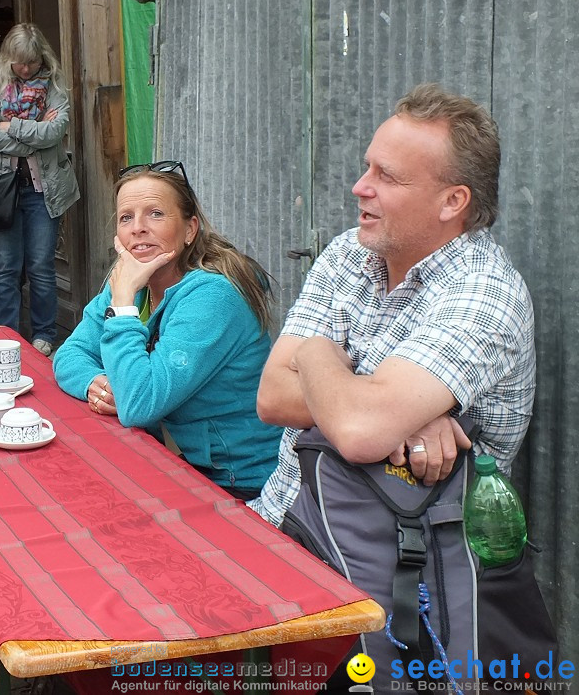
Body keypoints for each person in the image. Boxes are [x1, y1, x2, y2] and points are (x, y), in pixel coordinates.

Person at [251, 83, 536, 529]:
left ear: (452, 202)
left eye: (388, 176)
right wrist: (398, 416)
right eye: (368, 168)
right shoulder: (350, 251)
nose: (360, 187)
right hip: (278, 519)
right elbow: (271, 397)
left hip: (394, 568)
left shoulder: (485, 293)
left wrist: (313, 355)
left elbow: (360, 431)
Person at [52, 162, 280, 498]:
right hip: (167, 459)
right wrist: (94, 385)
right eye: (126, 217)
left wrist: (124, 304)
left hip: (234, 482)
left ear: (190, 229)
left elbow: (140, 403)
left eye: (155, 214)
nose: (138, 228)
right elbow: (70, 353)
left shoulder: (213, 296)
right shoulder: (132, 277)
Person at [0, 23, 79, 356]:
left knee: (41, 266)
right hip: (5, 188)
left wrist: (14, 126)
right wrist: (36, 132)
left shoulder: (54, 86)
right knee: (6, 265)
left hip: (43, 188)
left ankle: (45, 334)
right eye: (19, 63)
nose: (25, 69)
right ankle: (5, 334)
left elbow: (55, 133)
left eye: (32, 63)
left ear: (42, 58)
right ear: (8, 58)